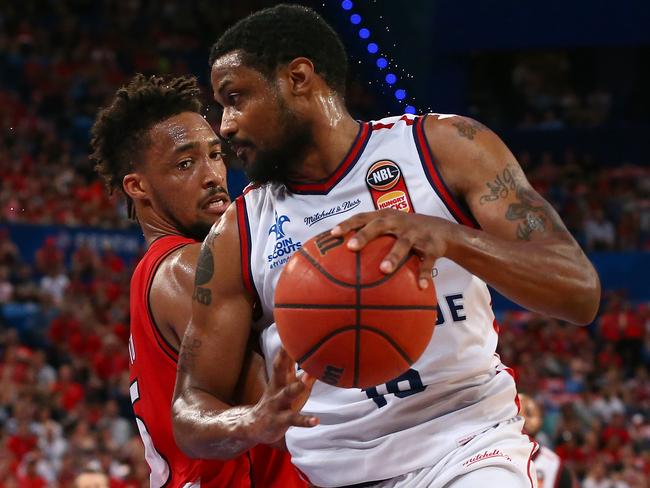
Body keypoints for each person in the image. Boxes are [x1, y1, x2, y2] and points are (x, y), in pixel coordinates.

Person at [172, 4, 601, 487]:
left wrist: (452, 238)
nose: (225, 125)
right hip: (334, 473)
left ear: (298, 77)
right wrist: (250, 421)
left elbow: (579, 292)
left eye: (235, 98)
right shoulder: (237, 231)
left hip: (467, 446)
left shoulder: (444, 148)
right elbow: (191, 407)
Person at [90, 74, 312, 487]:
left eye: (215, 154)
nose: (213, 175)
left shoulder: (161, 271)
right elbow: (285, 419)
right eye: (185, 163)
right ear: (138, 187)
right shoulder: (188, 267)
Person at [518, 394, 578, 488]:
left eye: (529, 413)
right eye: (518, 414)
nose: (524, 420)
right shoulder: (493, 454)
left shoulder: (554, 464)